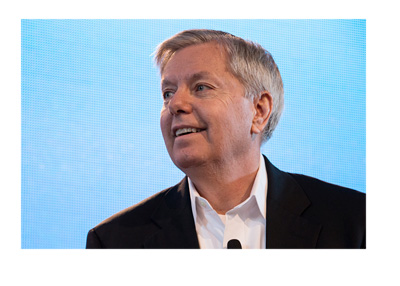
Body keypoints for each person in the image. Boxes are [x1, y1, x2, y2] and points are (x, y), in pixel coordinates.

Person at [86, 29, 366, 249]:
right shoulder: (114, 242)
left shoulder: (356, 222)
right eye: (168, 93)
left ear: (259, 110)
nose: (175, 105)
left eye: (201, 87)